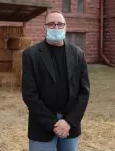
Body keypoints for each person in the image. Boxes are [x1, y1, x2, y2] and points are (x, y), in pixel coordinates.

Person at [21, 10, 90, 151]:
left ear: (66, 28)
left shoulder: (78, 54)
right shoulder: (31, 55)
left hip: (70, 125)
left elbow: (84, 92)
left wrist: (69, 121)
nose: (56, 28)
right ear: (44, 28)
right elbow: (29, 94)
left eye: (60, 24)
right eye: (51, 24)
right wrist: (53, 123)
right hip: (41, 125)